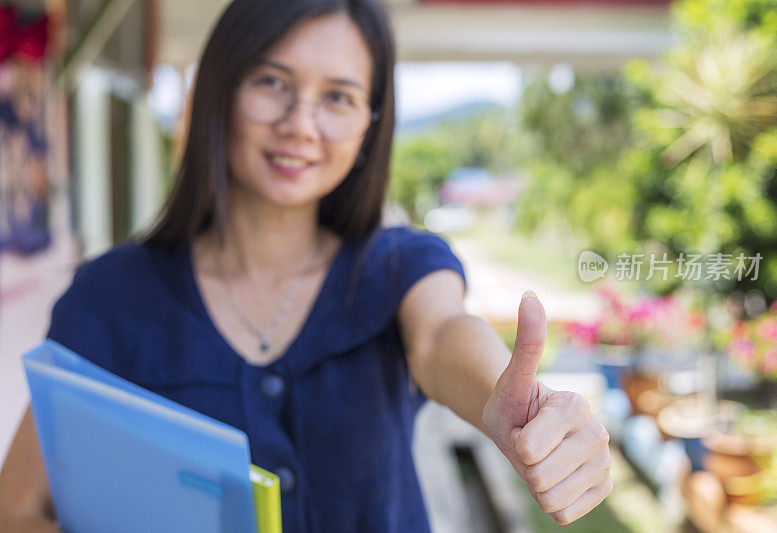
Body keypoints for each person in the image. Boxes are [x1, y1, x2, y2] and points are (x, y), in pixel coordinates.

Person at [0, 0, 613, 531]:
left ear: (370, 126)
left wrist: (495, 402)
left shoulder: (400, 265)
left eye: (339, 97)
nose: (300, 125)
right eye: (271, 82)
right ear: (221, 89)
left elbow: (441, 336)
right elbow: (16, 510)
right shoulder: (111, 295)